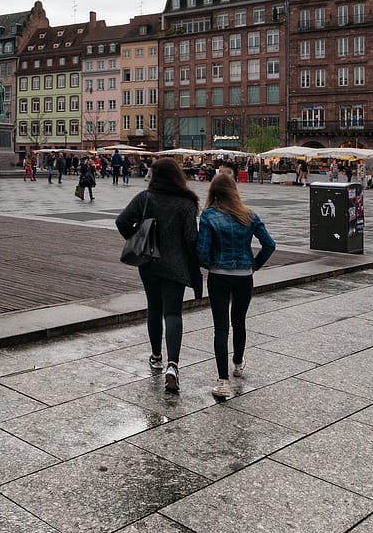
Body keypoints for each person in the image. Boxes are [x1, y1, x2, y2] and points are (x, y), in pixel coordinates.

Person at [115, 157, 202, 394]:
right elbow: (191, 239)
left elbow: (122, 221)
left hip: (149, 262)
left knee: (154, 308)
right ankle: (173, 365)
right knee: (173, 313)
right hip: (176, 264)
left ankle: (156, 357)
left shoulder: (145, 198)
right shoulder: (187, 202)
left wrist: (138, 237)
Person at [197, 173, 276, 401]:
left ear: (213, 192)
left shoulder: (209, 215)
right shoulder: (249, 215)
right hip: (243, 276)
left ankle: (223, 382)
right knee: (239, 321)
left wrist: (211, 264)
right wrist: (254, 265)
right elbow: (269, 244)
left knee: (221, 328)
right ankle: (238, 364)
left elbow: (202, 250)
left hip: (219, 275)